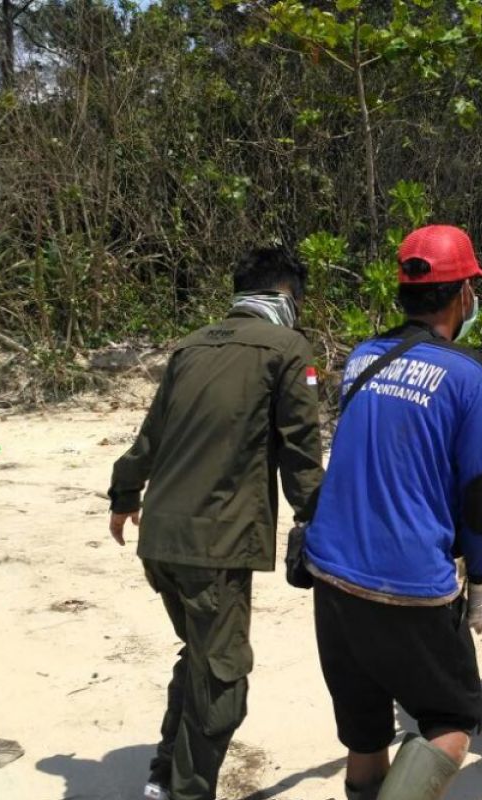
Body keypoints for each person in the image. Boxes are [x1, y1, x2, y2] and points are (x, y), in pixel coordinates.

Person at [107, 247, 323, 800]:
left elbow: (150, 435)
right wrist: (317, 521)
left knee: (199, 654)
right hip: (217, 542)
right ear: (283, 296)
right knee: (224, 679)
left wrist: (124, 492)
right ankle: (187, 791)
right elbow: (300, 450)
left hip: (159, 536)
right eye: (297, 300)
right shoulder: (288, 348)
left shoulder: (191, 345)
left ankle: (162, 775)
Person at [305, 225, 482, 800]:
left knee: (366, 731)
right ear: (464, 294)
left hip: (331, 574)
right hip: (410, 582)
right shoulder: (473, 376)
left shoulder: (363, 357)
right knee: (451, 722)